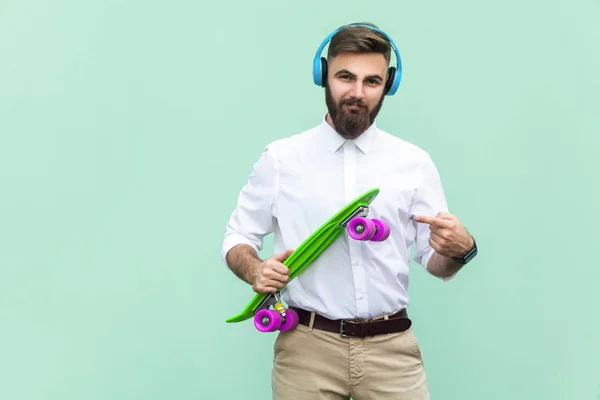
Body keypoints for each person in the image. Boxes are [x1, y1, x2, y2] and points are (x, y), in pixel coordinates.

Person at [220, 22, 478, 400]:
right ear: (323, 75)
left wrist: (460, 249)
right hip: (307, 349)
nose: (356, 93)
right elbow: (237, 238)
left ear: (388, 84)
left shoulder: (413, 163)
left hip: (392, 350)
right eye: (345, 77)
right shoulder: (281, 159)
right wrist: (255, 269)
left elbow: (435, 262)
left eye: (371, 82)